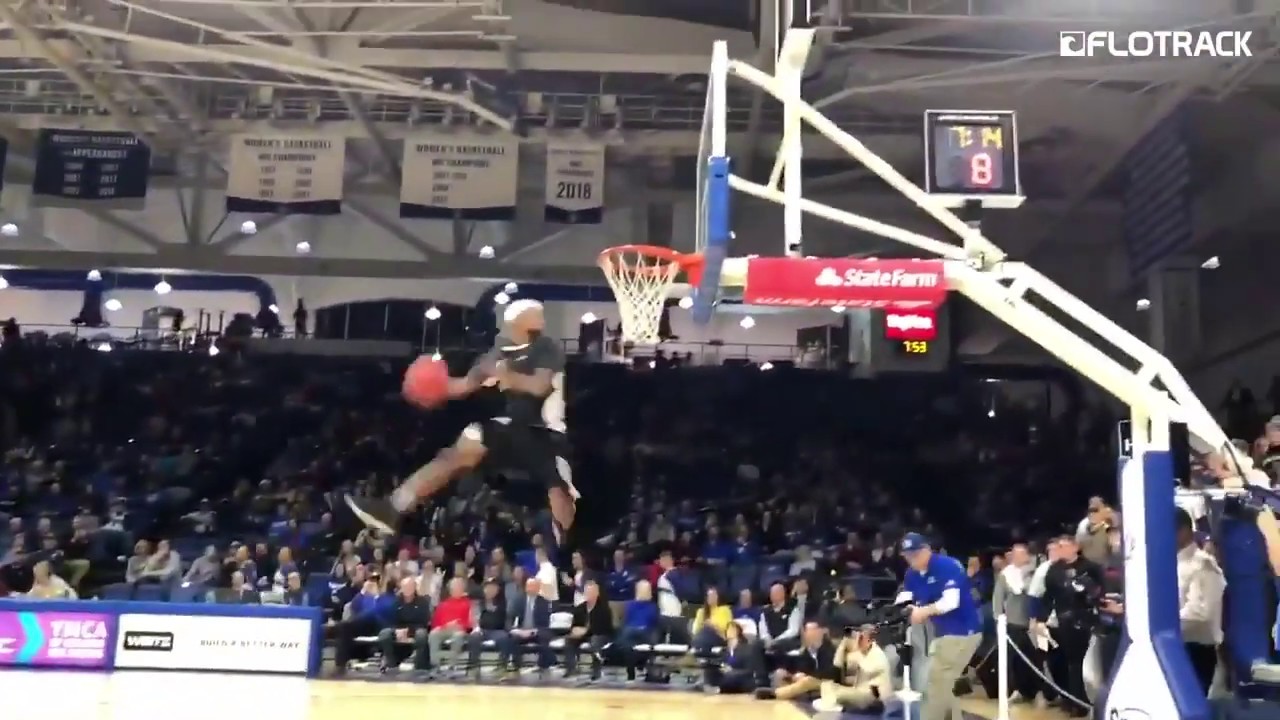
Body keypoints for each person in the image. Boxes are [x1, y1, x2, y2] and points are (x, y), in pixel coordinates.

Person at [346, 300, 581, 544]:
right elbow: (467, 383)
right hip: (513, 429)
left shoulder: (545, 349)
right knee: (458, 451)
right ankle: (393, 508)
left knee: (562, 505)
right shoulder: (501, 350)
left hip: (546, 434)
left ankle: (567, 555)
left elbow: (539, 385)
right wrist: (437, 387)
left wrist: (504, 374)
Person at [897, 532, 983, 720]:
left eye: (915, 554)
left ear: (927, 550)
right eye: (907, 555)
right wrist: (902, 608)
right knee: (944, 684)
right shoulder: (911, 574)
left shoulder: (948, 566)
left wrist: (923, 611)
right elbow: (906, 597)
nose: (911, 559)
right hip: (942, 633)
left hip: (962, 632)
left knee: (936, 683)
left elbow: (951, 602)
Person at [1175, 507, 1225, 695]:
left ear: (1183, 531)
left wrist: (1161, 623)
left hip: (1197, 651)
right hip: (1175, 647)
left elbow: (1200, 611)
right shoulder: (1170, 562)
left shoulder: (1203, 564)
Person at [813, 625, 891, 713]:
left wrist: (856, 649)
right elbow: (837, 663)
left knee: (836, 692)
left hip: (875, 699)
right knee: (827, 685)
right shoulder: (862, 654)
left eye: (861, 638)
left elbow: (867, 668)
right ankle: (829, 705)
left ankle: (832, 707)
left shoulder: (877, 654)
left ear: (870, 640)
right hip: (861, 693)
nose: (858, 641)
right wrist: (843, 646)